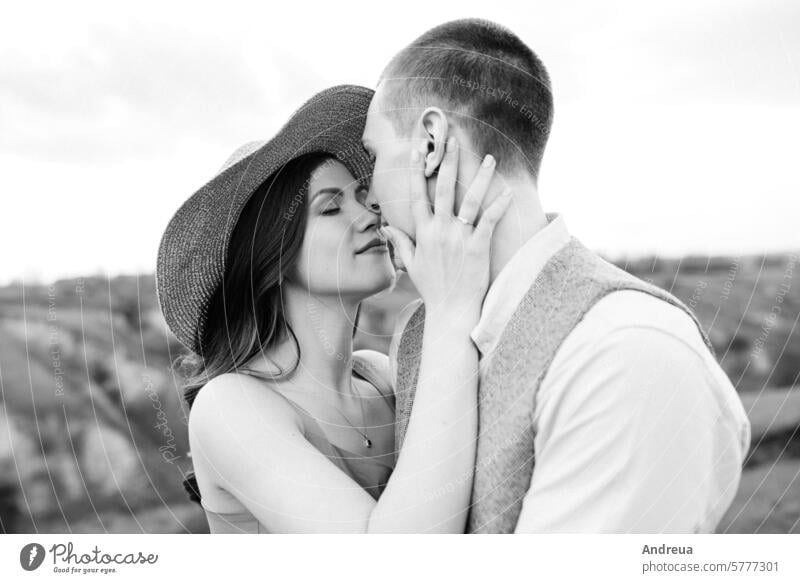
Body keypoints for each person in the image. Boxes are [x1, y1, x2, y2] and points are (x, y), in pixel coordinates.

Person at [363, 18, 753, 533]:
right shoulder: (423, 339)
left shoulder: (627, 353)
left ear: (430, 144)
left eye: (373, 156)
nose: (369, 195)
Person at [156, 85, 511, 533]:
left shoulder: (385, 377)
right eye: (330, 207)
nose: (369, 214)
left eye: (363, 195)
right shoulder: (230, 407)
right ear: (271, 255)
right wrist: (450, 308)